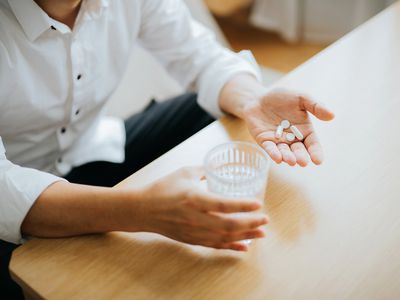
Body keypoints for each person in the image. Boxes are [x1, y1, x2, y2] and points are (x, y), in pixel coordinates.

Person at [0, 0, 335, 297]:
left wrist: (253, 100)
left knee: (208, 106)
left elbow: (199, 55)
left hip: (91, 148)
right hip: (15, 188)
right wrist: (140, 211)